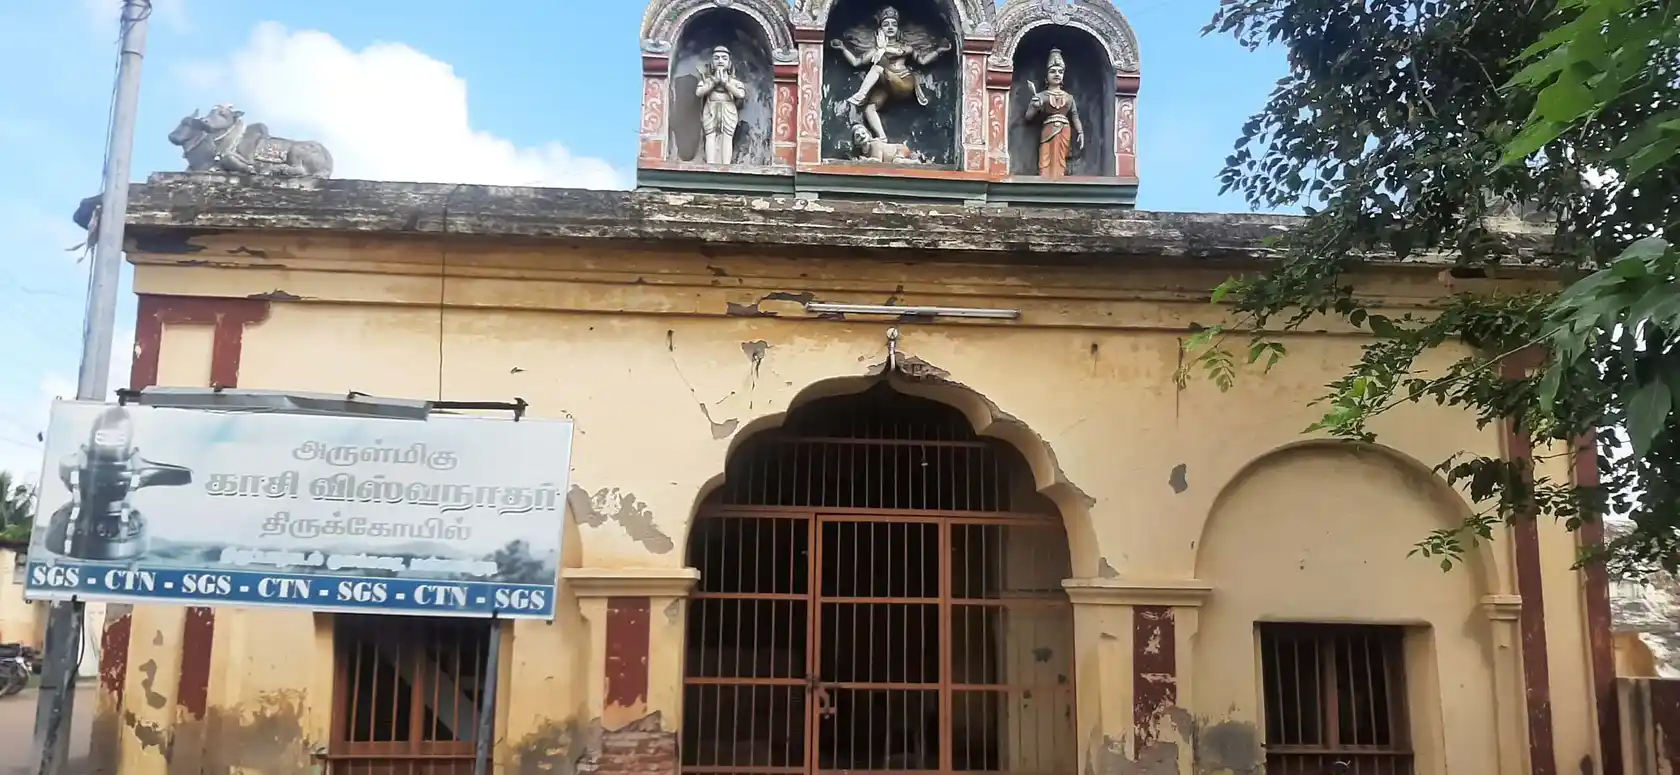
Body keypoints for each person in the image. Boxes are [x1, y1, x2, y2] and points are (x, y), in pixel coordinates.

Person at [1023, 49, 1084, 178]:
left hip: (1064, 129)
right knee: (1046, 155)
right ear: (1046, 77)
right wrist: (1035, 107)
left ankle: (1059, 176)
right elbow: (1028, 117)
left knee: (1061, 157)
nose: (1057, 74)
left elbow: (1075, 116)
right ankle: (1046, 177)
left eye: (1060, 72)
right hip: (1048, 128)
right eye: (1053, 71)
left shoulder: (1069, 98)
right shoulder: (1041, 96)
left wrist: (1080, 132)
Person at [696, 46, 747, 164]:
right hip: (711, 109)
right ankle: (710, 163)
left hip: (728, 109)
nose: (720, 61)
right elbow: (699, 92)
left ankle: (726, 164)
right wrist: (714, 82)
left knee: (727, 136)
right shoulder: (707, 80)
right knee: (710, 135)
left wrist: (725, 83)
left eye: (724, 58)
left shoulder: (734, 82)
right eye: (716, 58)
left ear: (729, 63)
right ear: (712, 63)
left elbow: (740, 94)